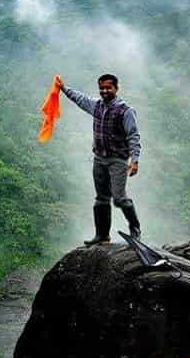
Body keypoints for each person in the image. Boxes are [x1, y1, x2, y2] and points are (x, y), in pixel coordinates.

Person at [56, 74, 142, 244]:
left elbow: (133, 136)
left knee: (119, 198)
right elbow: (80, 99)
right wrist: (63, 88)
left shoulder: (126, 111)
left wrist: (135, 160)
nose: (104, 91)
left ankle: (135, 228)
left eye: (108, 87)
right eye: (102, 88)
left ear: (116, 89)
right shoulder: (96, 106)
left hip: (117, 160)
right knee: (101, 198)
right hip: (99, 159)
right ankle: (102, 235)